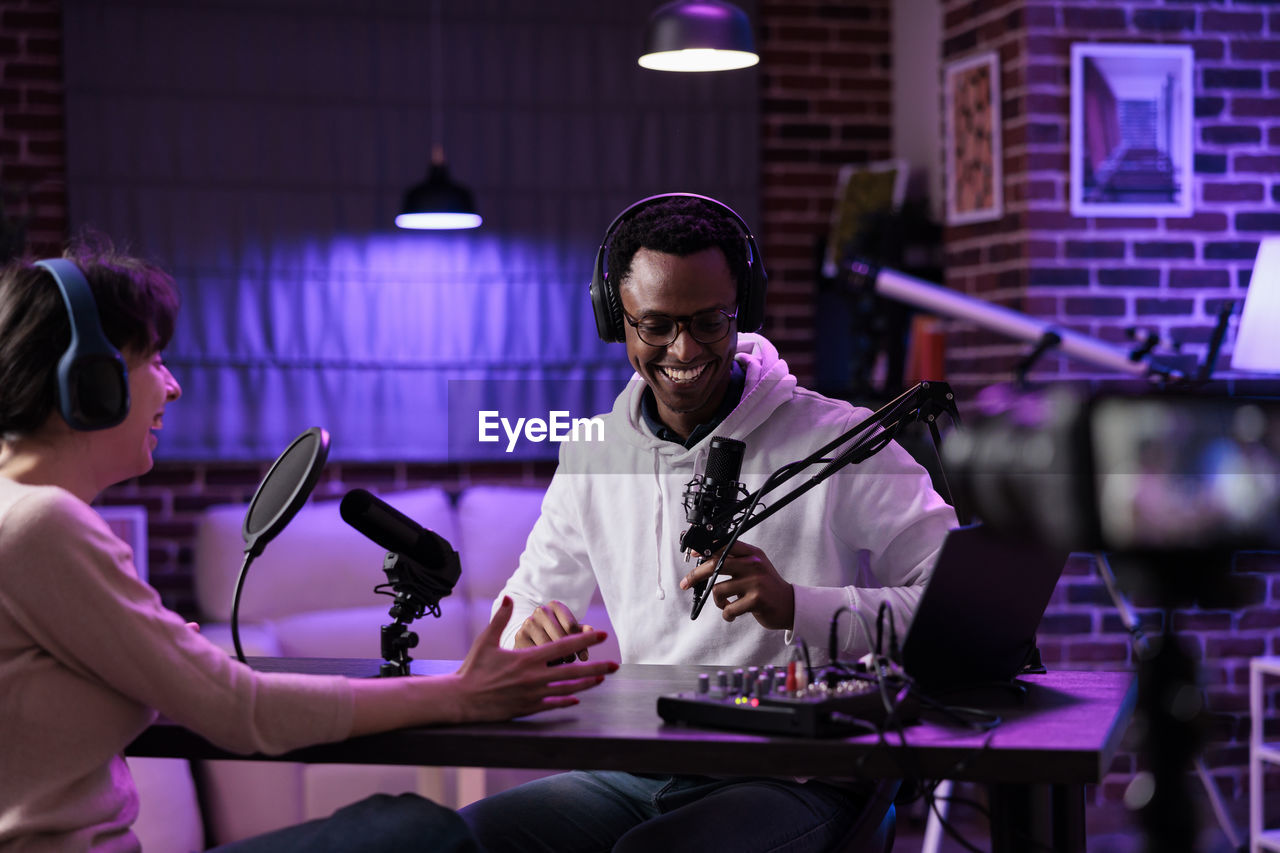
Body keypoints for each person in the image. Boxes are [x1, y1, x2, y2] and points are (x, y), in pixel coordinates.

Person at [0, 241, 619, 853]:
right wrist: (462, 694)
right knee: (414, 831)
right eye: (154, 358)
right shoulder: (44, 523)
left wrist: (159, 658)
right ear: (91, 381)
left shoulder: (19, 512)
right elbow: (239, 708)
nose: (174, 386)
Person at [458, 194, 957, 852]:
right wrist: (529, 626)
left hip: (798, 775)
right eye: (656, 326)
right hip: (638, 767)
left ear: (742, 310)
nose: (684, 349)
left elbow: (956, 613)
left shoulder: (838, 440)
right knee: (464, 840)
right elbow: (527, 596)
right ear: (617, 319)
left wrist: (799, 605)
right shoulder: (595, 452)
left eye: (708, 323)